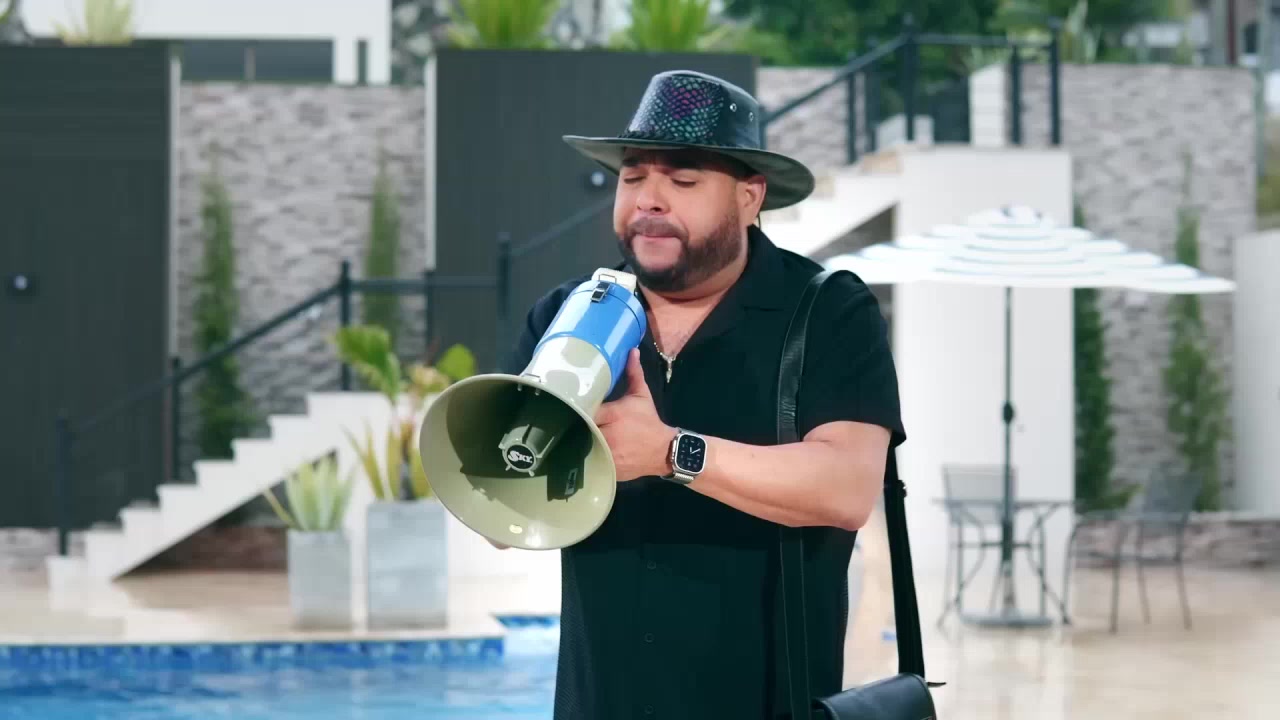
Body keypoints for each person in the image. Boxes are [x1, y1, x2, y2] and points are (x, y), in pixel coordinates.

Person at [498, 70, 905, 720]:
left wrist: (669, 452)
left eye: (683, 181)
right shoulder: (565, 316)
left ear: (749, 197)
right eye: (633, 177)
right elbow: (502, 510)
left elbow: (848, 489)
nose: (648, 201)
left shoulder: (828, 312)